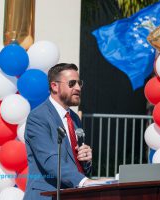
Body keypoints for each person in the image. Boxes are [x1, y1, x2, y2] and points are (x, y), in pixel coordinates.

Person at [24, 63, 107, 199]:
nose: (78, 88)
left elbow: (76, 162)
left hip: (73, 194)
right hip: (46, 195)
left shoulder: (74, 118)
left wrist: (86, 159)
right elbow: (50, 160)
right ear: (54, 86)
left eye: (79, 83)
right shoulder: (38, 117)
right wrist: (84, 182)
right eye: (72, 83)